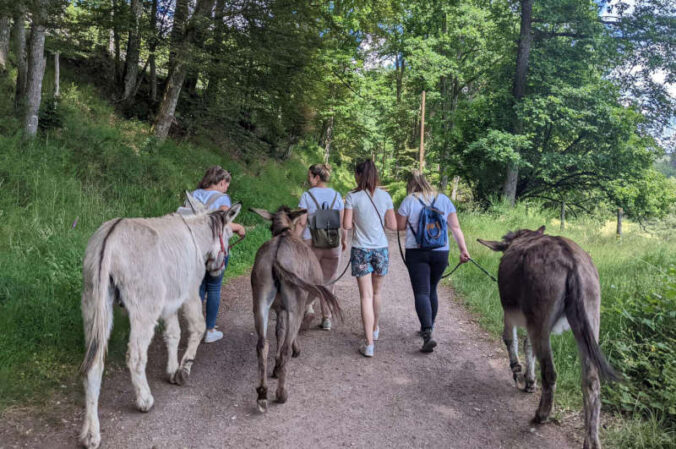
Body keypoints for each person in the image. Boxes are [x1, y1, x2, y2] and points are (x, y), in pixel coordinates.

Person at [396, 170, 470, 353]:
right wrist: (463, 250)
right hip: (440, 252)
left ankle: (427, 332)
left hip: (416, 251)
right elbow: (455, 227)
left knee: (421, 292)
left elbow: (399, 226)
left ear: (411, 185)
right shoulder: (444, 199)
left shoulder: (409, 200)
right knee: (432, 289)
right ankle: (429, 327)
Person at [343, 159, 397, 357]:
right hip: (381, 249)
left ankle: (369, 345)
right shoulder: (385, 196)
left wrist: (357, 219)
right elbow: (392, 225)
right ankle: (375, 329)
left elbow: (347, 225)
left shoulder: (352, 196)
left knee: (365, 296)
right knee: (377, 293)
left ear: (358, 175)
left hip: (361, 250)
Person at [192, 166, 246, 343]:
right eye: (226, 185)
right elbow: (223, 224)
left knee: (199, 288)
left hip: (197, 249)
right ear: (222, 182)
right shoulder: (222, 198)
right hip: (216, 250)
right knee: (214, 287)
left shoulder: (194, 195)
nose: (226, 189)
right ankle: (209, 330)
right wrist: (238, 228)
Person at [295, 164, 347, 330]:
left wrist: (293, 241)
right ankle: (327, 317)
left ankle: (306, 308)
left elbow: (301, 222)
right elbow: (342, 223)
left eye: (309, 176)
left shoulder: (307, 196)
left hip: (312, 242)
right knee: (329, 280)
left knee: (308, 278)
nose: (308, 179)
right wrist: (344, 240)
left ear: (317, 177)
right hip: (333, 243)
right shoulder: (337, 196)